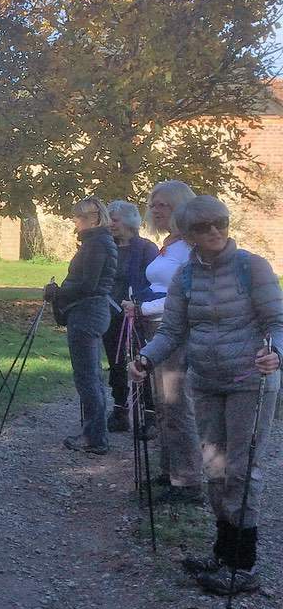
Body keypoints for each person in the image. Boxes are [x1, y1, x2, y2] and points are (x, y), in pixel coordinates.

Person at [129, 196, 283, 596]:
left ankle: (242, 566)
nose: (214, 231)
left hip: (252, 379)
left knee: (241, 468)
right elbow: (171, 333)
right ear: (188, 234)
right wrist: (145, 359)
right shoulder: (185, 278)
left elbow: (278, 322)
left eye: (220, 223)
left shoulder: (253, 267)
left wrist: (276, 353)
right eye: (202, 227)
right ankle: (222, 553)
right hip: (208, 381)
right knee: (214, 466)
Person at [122, 180, 202, 504]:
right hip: (156, 329)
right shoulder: (170, 244)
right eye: (153, 204)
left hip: (176, 333)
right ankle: (170, 471)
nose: (156, 210)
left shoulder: (191, 249)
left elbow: (181, 298)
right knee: (163, 406)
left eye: (164, 205)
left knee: (177, 404)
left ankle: (189, 482)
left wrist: (142, 307)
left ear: (181, 208)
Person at [44, 196, 118, 455]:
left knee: (87, 377)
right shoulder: (98, 242)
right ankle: (94, 432)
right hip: (92, 310)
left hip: (88, 312)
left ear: (94, 218)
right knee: (91, 376)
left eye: (80, 217)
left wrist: (59, 292)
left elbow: (89, 285)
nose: (75, 221)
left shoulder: (97, 244)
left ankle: (95, 437)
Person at [104, 201, 158, 432]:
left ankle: (148, 415)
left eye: (114, 220)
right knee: (115, 363)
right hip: (110, 313)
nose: (110, 224)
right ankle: (119, 410)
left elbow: (155, 283)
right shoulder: (108, 246)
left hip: (138, 314)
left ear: (128, 221)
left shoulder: (147, 248)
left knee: (141, 361)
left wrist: (139, 305)